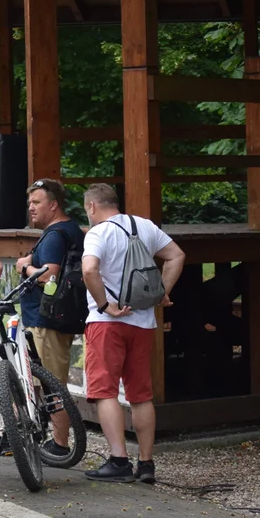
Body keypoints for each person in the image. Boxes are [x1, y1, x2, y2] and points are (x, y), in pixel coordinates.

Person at [0, 178, 83, 459]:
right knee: (34, 381)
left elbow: (49, 276)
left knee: (51, 383)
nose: (31, 208)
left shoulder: (57, 235)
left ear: (54, 205)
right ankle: (19, 434)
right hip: (54, 318)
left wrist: (24, 268)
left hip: (48, 321)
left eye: (37, 203)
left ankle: (58, 445)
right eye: (29, 203)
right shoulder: (69, 230)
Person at [80, 183, 185, 484]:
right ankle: (147, 463)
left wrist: (105, 305)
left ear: (92, 207)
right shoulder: (145, 226)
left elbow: (89, 271)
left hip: (107, 324)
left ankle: (119, 460)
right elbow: (176, 255)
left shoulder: (99, 233)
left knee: (105, 391)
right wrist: (162, 291)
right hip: (143, 322)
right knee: (140, 394)